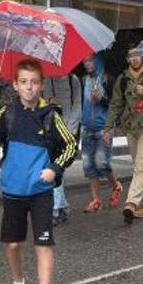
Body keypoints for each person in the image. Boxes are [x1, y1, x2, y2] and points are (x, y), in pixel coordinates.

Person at [0, 59, 77, 284]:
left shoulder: (50, 116)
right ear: (15, 85)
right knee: (12, 244)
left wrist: (54, 170)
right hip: (13, 190)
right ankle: (18, 282)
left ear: (42, 85)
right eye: (24, 82)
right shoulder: (6, 113)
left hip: (40, 192)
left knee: (43, 245)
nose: (29, 88)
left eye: (34, 82)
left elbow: (70, 146)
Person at [102, 45, 143, 224]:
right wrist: (108, 128)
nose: (135, 58)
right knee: (141, 167)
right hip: (131, 128)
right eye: (131, 55)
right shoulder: (123, 79)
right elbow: (115, 104)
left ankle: (131, 203)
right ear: (127, 58)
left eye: (138, 54)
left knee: (140, 166)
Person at [80, 54, 123, 214]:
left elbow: (115, 104)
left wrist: (101, 99)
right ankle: (96, 199)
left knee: (102, 162)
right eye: (85, 61)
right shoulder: (84, 80)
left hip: (103, 127)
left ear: (97, 61)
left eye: (90, 61)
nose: (87, 64)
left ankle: (116, 186)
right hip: (87, 127)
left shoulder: (108, 80)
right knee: (88, 165)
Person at [43, 74, 81, 225]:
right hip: (51, 130)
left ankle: (58, 208)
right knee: (55, 167)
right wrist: (49, 102)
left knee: (58, 168)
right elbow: (42, 104)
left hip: (68, 131)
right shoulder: (47, 79)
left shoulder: (73, 80)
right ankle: (58, 208)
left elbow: (77, 105)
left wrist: (71, 131)